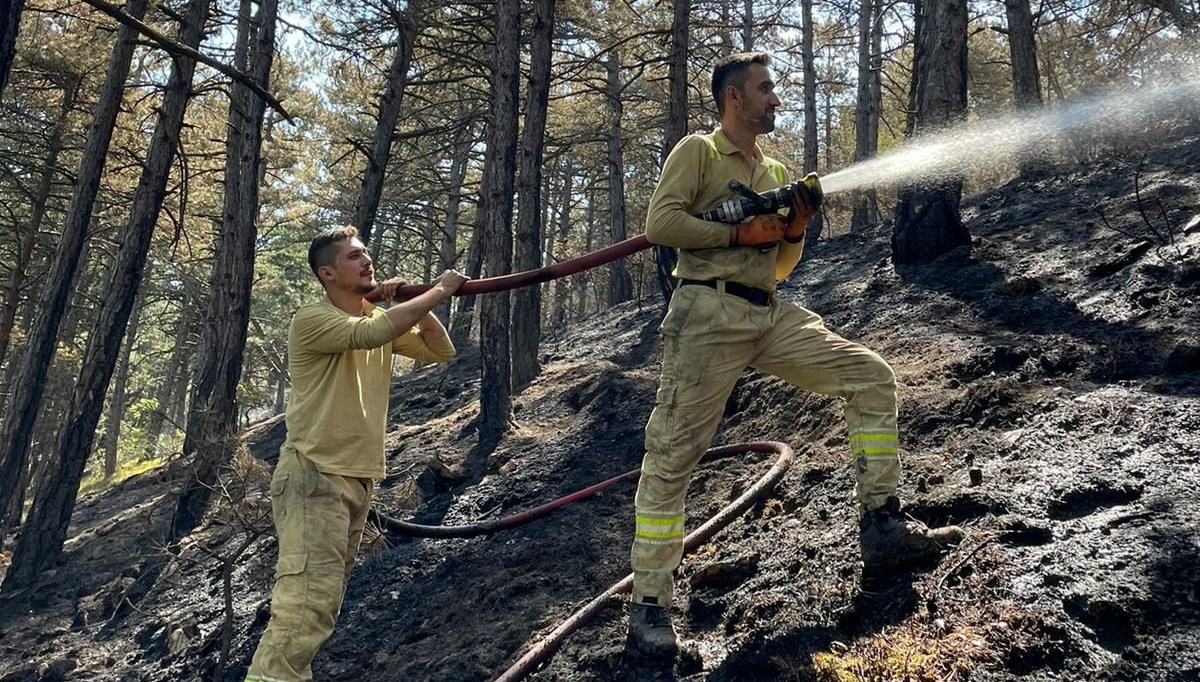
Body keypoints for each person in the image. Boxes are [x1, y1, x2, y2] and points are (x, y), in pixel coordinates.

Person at [627, 52, 963, 657]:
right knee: (673, 456)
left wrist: (793, 229)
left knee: (870, 376)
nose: (775, 100)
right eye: (765, 90)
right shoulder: (698, 153)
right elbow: (660, 225)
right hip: (706, 316)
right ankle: (650, 609)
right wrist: (735, 233)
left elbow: (779, 264)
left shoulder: (773, 167)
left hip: (768, 311)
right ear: (734, 98)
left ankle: (883, 526)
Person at [244, 226, 467, 682]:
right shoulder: (313, 319)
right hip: (315, 475)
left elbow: (440, 351)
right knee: (304, 608)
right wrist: (440, 289)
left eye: (366, 254)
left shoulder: (372, 318)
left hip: (355, 479)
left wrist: (422, 302)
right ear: (326, 273)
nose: (366, 262)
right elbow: (373, 333)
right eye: (353, 257)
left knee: (318, 609)